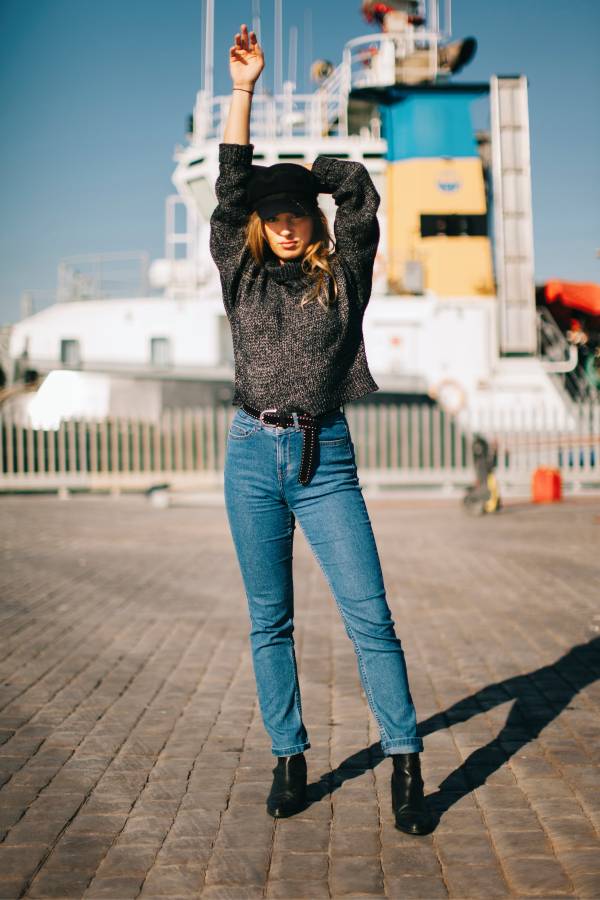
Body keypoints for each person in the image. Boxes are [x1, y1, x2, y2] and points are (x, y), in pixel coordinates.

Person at [210, 23, 433, 836]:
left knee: (369, 616)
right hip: (248, 457)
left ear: (310, 216)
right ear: (258, 226)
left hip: (325, 458)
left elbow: (362, 197)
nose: (285, 222)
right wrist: (243, 93)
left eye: (296, 211)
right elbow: (229, 188)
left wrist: (310, 172)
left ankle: (405, 760)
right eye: (272, 214)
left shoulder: (344, 277)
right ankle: (289, 756)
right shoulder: (240, 275)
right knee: (269, 619)